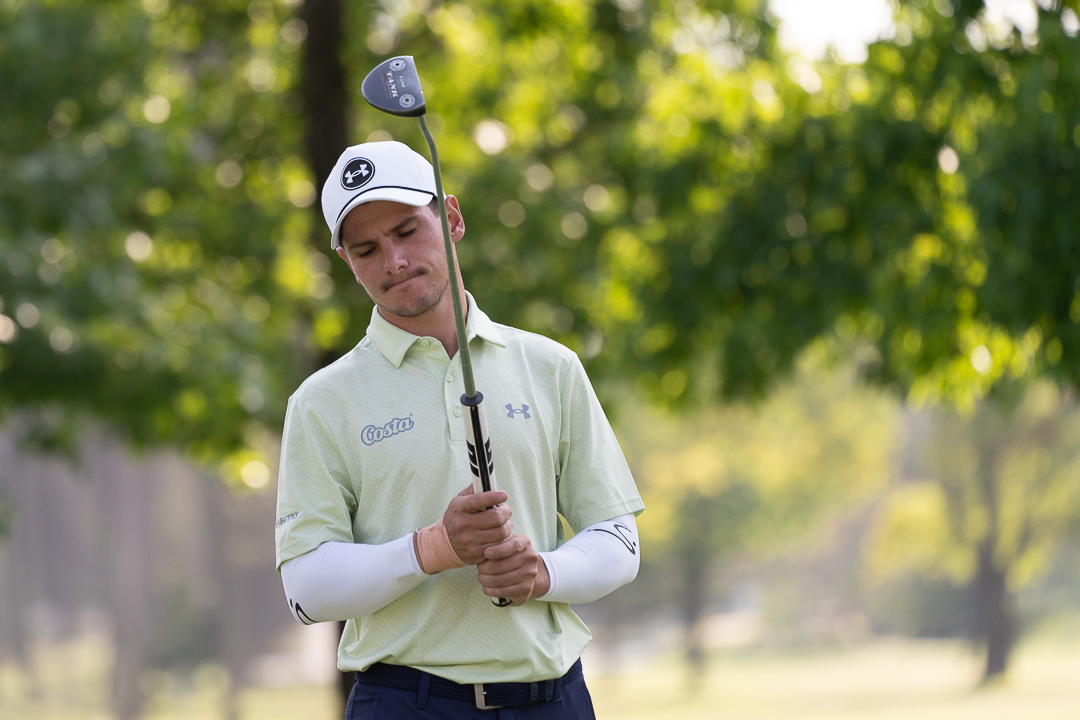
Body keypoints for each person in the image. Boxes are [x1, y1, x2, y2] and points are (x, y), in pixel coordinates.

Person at [275, 140, 644, 719]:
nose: (394, 261)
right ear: (347, 261)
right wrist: (433, 549)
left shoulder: (550, 367)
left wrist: (543, 572)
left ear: (451, 218)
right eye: (367, 249)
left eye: (407, 231)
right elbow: (306, 590)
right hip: (405, 703)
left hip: (553, 699)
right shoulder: (322, 402)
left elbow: (619, 539)